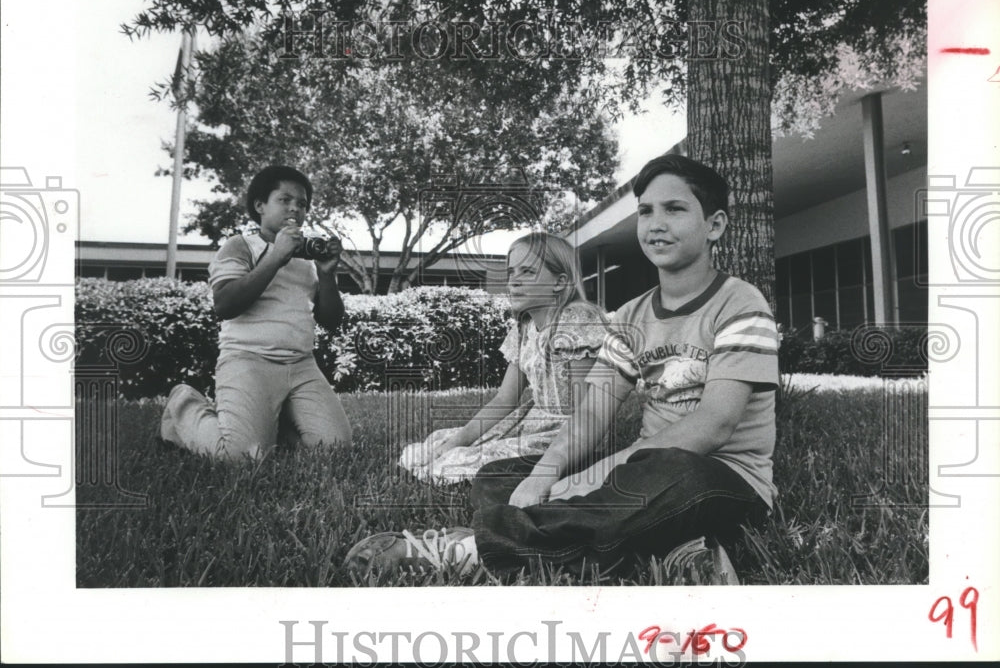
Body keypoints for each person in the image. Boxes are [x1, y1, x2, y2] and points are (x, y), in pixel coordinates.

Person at [345, 154, 779, 578]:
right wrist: (547, 474)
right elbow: (592, 412)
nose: (655, 223)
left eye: (675, 209)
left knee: (672, 473)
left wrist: (589, 477)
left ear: (715, 225)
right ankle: (670, 551)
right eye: (646, 211)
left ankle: (467, 549)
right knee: (498, 476)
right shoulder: (630, 316)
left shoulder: (740, 304)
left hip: (718, 479)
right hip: (639, 474)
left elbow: (714, 425)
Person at [160, 165, 352, 460]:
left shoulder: (308, 258)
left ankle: (271, 422)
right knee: (240, 457)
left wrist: (327, 275)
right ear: (260, 206)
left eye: (302, 204)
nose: (295, 209)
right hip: (248, 360)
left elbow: (331, 321)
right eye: (284, 200)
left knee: (335, 449)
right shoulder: (240, 246)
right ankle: (183, 406)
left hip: (301, 364)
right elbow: (224, 305)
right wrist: (276, 256)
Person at [398, 232, 610, 483]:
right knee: (440, 444)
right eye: (511, 272)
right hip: (531, 421)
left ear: (560, 282)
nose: (514, 281)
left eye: (528, 272)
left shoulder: (576, 321)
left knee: (456, 465)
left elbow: (587, 410)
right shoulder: (524, 328)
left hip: (570, 433)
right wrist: (457, 442)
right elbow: (504, 400)